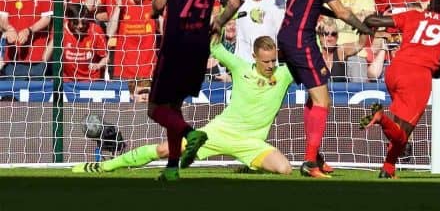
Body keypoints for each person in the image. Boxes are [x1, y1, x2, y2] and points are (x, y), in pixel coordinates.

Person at [72, 36, 293, 176]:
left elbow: (309, 56)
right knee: (163, 149)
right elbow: (214, 44)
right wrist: (227, 14)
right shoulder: (240, 67)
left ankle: (251, 168)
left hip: (252, 142)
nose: (271, 65)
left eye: (273, 60)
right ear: (255, 56)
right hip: (218, 133)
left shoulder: (284, 74)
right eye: (266, 61)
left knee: (285, 169)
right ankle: (104, 167)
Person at [148, 0, 241, 181]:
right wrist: (218, 22)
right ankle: (172, 168)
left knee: (156, 108)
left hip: (176, 43)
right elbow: (234, 2)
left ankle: (191, 133)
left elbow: (159, 4)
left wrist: (153, 10)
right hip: (200, 45)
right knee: (174, 106)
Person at [277, 0, 372, 178]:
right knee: (323, 101)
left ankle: (315, 156)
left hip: (287, 35)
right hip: (301, 39)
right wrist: (365, 28)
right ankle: (309, 162)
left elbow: (314, 3)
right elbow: (340, 11)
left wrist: (346, 17)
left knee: (314, 95)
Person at [361, 0, 440, 178]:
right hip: (417, 77)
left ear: (430, 4)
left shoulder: (414, 15)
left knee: (398, 128)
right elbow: (439, 74)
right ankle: (381, 118)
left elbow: (377, 21)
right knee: (402, 134)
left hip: (394, 70)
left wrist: (366, 21)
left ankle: (388, 169)